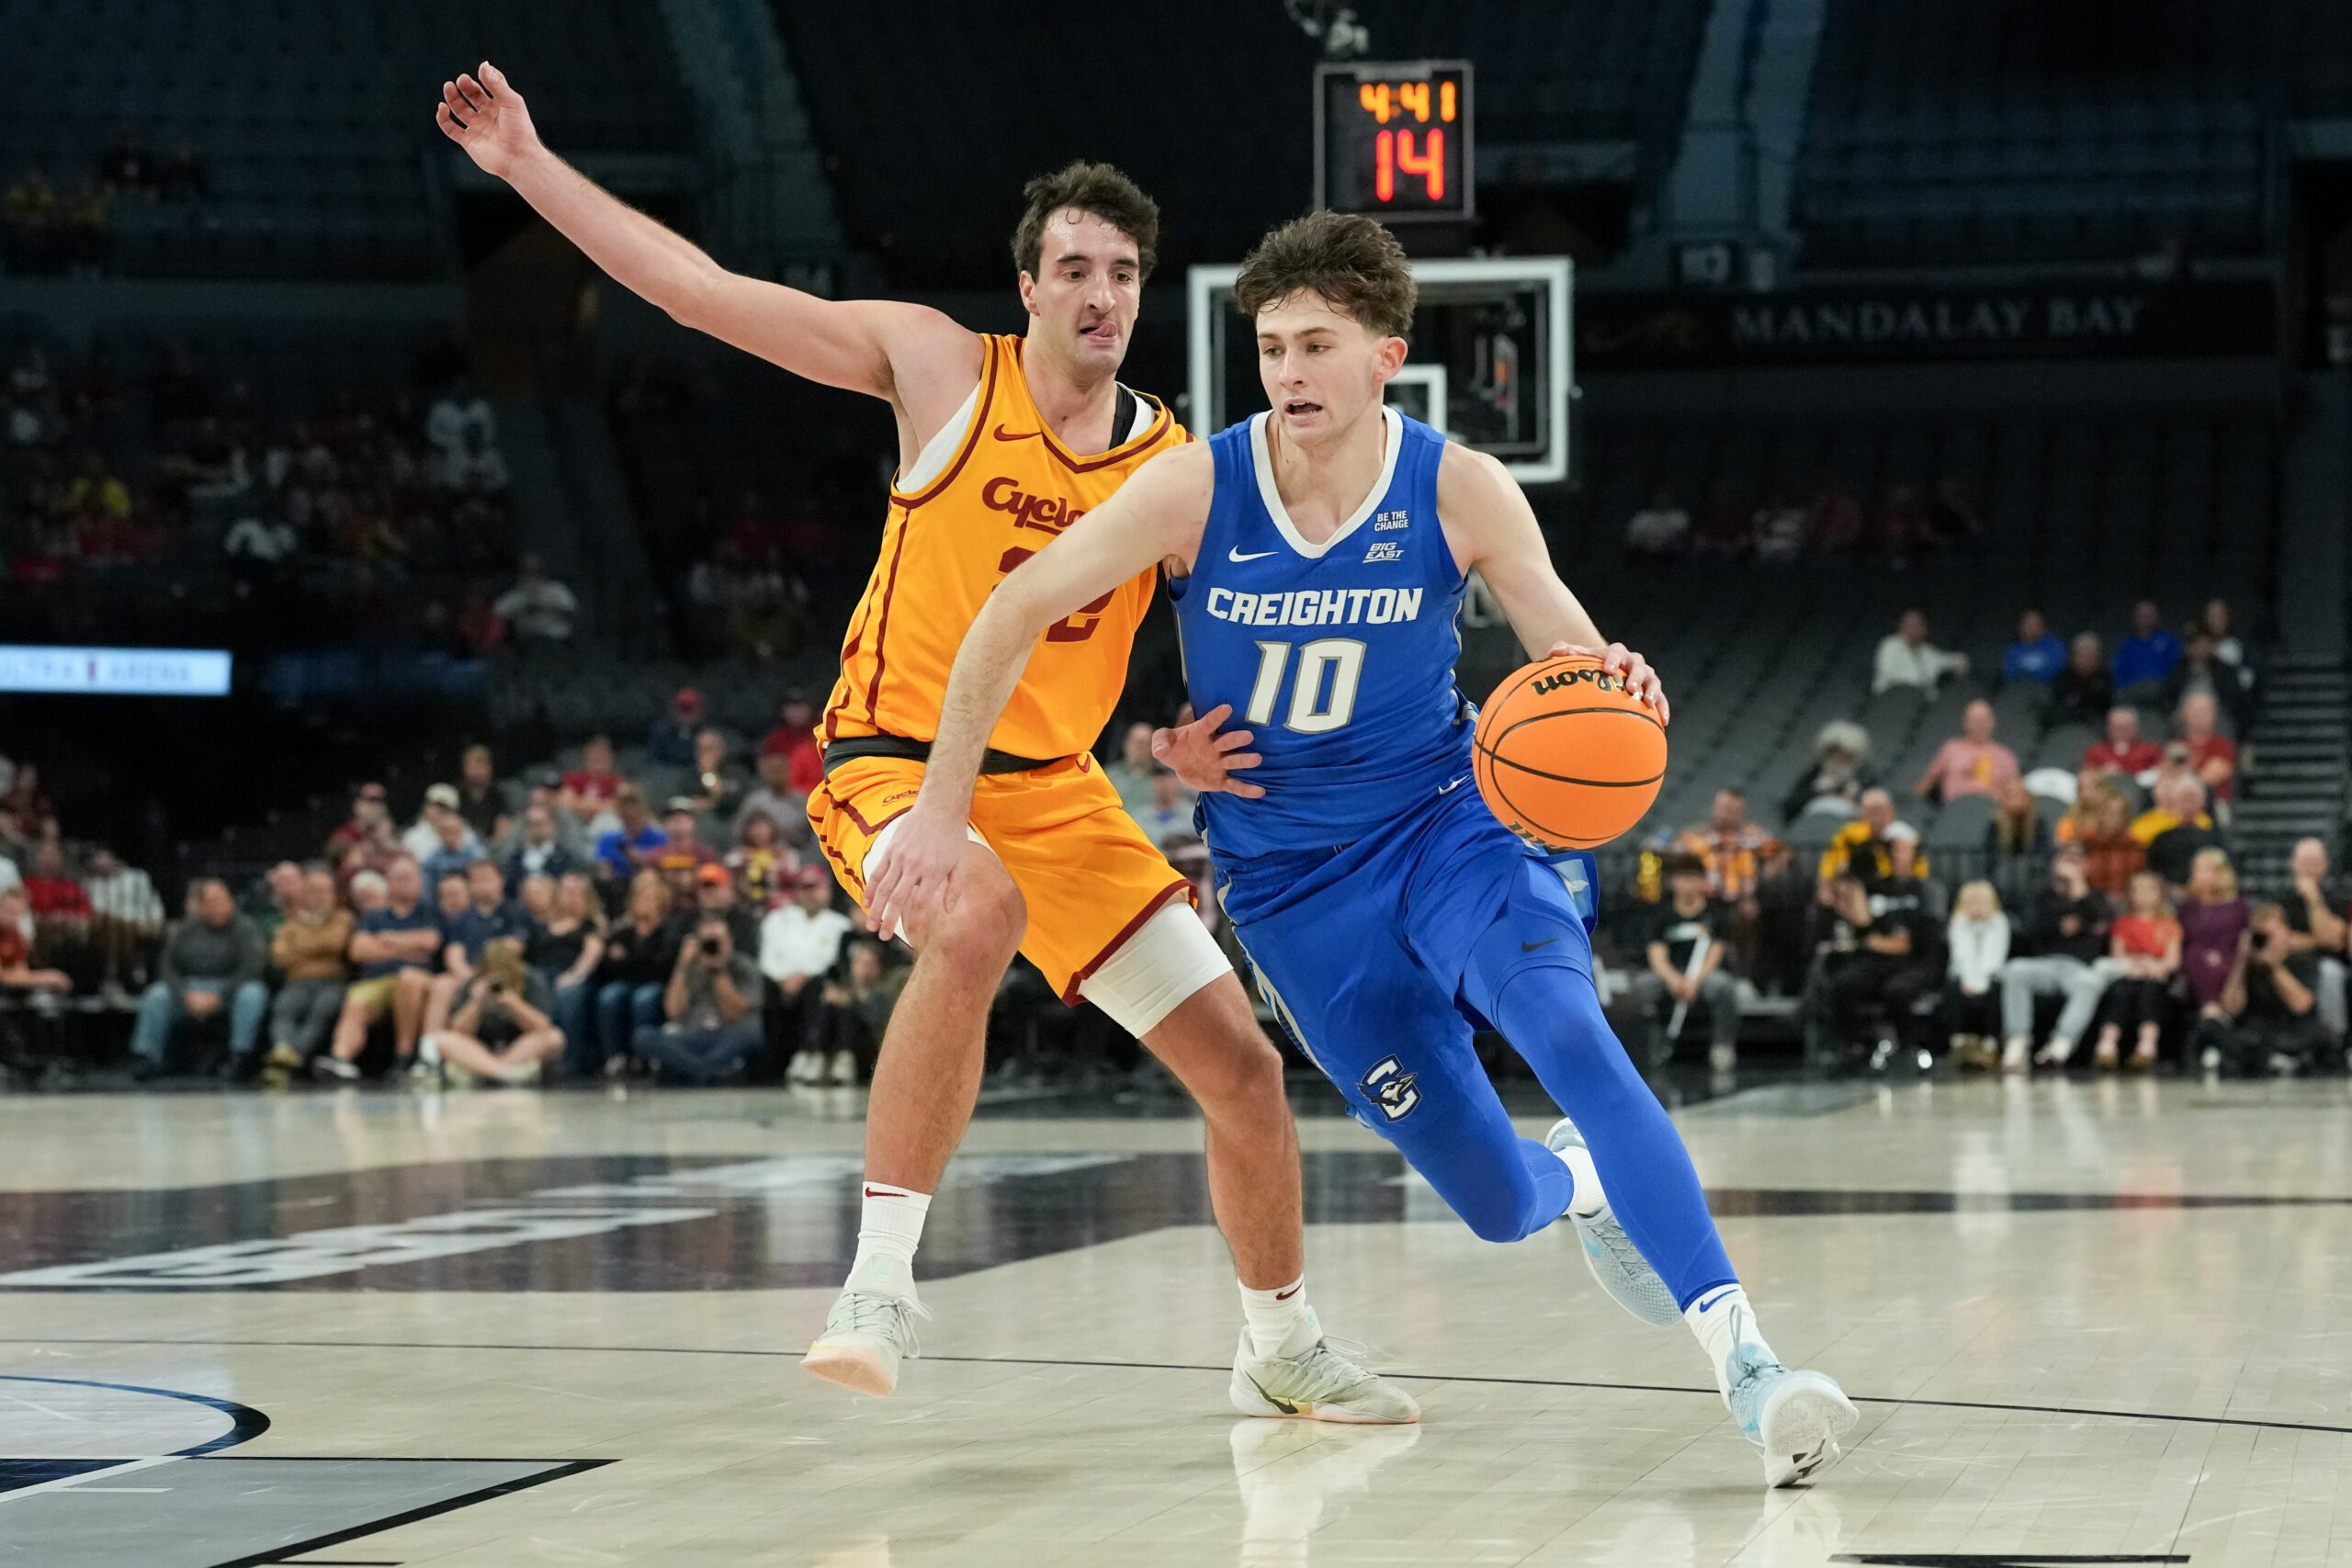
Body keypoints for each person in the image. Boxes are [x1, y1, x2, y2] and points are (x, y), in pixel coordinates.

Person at [444, 68, 1402, 1417]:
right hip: (894, 758)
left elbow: (1233, 634)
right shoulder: (939, 367)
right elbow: (701, 293)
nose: (1102, 293)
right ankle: (879, 1279)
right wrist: (531, 167)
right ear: (1028, 287)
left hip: (1061, 790)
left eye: (1124, 271)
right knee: (975, 911)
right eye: (1074, 265)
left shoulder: (1180, 463)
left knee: (1241, 1063)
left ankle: (1279, 1337)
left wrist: (1175, 743)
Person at [874, 210, 1852, 1483]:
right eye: (1273, 346)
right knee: (1502, 1206)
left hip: (1454, 824)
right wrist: (1019, 785)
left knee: (1570, 1033)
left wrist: (1611, 678)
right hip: (1291, 887)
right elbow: (1017, 609)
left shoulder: (1459, 485)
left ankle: (1750, 1362)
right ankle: (1584, 1186)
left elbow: (1564, 641)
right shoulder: (1193, 486)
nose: (1290, 372)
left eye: (1317, 344)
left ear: (1387, 353)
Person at [316, 856, 442, 1081]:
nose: (404, 882)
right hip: (376, 979)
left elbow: (429, 943)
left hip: (416, 978)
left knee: (408, 980)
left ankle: (404, 1056)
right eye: (398, 878)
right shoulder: (374, 916)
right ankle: (340, 1058)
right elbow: (358, 951)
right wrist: (408, 945)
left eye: (408, 877)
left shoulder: (429, 911)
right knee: (357, 999)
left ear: (419, 881)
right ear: (388, 883)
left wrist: (384, 940)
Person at [130, 878, 267, 1080]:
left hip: (229, 989)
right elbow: (167, 966)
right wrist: (185, 993)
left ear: (230, 901)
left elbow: (250, 969)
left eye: (221, 901)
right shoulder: (186, 929)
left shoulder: (246, 928)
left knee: (253, 993)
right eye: (211, 903)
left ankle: (240, 1056)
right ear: (202, 906)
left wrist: (219, 995)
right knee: (157, 995)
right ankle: (146, 1057)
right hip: (190, 988)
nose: (217, 907)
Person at [1999, 847, 2111, 1072]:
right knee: (2014, 971)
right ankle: (2018, 1041)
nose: (2070, 865)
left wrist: (2079, 890)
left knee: (2090, 983)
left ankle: (2062, 1043)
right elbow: (2031, 929)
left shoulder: (2095, 896)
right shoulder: (2041, 896)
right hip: (2044, 963)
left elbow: (2101, 922)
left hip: (2079, 966)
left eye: (2076, 860)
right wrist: (2065, 924)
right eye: (2065, 859)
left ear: (2086, 866)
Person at [1630, 857, 1741, 1072]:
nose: (1688, 884)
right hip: (1671, 974)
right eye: (1683, 878)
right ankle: (1648, 1048)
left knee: (1724, 986)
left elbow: (1715, 952)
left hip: (1704, 974)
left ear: (1702, 882)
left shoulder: (1714, 915)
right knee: (1642, 985)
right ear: (1674, 882)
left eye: (1693, 878)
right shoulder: (1661, 917)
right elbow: (1657, 955)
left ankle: (1722, 1047)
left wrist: (1695, 980)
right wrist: (1673, 979)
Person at [2199, 902, 2330, 1077]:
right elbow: (2231, 1008)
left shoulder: (2301, 959)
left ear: (2286, 932)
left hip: (2292, 1031)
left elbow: (2302, 1006)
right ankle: (2269, 1059)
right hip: (2255, 1034)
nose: (2270, 940)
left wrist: (2274, 967)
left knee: (2319, 1038)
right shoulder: (2247, 965)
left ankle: (2276, 1059)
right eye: (2264, 935)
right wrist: (2241, 961)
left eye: (2274, 933)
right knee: (2210, 1024)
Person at [419, 936, 565, 1087]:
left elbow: (542, 1025)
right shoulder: (474, 983)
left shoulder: (531, 980)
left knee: (554, 1037)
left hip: (518, 1049)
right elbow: (458, 1029)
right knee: (444, 1039)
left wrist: (514, 1003)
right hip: (480, 1050)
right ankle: (504, 1073)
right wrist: (476, 1003)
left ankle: (487, 1072)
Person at [635, 915, 764, 1084]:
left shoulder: (744, 967)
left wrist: (718, 972)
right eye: (707, 942)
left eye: (718, 941)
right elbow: (673, 1011)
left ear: (730, 942)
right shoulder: (691, 967)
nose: (712, 947)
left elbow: (736, 1014)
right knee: (644, 1036)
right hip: (691, 1036)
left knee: (752, 1033)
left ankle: (691, 1071)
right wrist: (682, 965)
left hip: (726, 1036)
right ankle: (708, 1073)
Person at [762, 864, 856, 1084]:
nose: (810, 893)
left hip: (817, 984)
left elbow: (830, 960)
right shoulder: (778, 919)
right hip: (779, 986)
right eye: (805, 887)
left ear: (827, 889)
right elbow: (768, 958)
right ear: (796, 891)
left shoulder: (840, 925)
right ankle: (807, 1054)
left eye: (815, 887)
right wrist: (785, 979)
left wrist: (803, 977)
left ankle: (812, 1053)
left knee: (822, 987)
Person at [264, 863, 353, 1078]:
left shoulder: (343, 918)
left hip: (332, 982)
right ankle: (282, 1049)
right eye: (314, 891)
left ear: (333, 894)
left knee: (322, 1009)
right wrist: (319, 953)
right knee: (284, 1006)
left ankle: (293, 1056)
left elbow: (335, 944)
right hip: (297, 982)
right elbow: (281, 955)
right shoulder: (291, 923)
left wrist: (303, 951)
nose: (319, 896)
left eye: (324, 891)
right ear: (304, 894)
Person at [586, 870, 679, 1077]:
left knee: (644, 999)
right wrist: (633, 961)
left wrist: (627, 960)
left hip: (657, 984)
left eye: (649, 899)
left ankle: (644, 1056)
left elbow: (661, 966)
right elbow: (607, 966)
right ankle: (615, 1056)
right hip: (625, 982)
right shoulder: (622, 931)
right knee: (609, 997)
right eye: (640, 898)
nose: (643, 903)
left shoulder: (668, 930)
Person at [2091, 870, 2180, 1071]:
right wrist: (2137, 964)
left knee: (2150, 992)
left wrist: (2154, 966)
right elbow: (2118, 955)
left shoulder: (2168, 924)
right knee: (2119, 992)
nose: (2144, 896)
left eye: (2149, 890)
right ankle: (2107, 1045)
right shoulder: (2122, 923)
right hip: (2128, 973)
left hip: (2155, 976)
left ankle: (2147, 1046)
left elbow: (2172, 961)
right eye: (2138, 891)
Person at [530, 871, 606, 1063]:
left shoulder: (590, 926)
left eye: (577, 892)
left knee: (567, 994)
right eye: (567, 892)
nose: (572, 897)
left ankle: (569, 1059)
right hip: (541, 976)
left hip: (574, 978)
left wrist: (574, 975)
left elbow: (592, 953)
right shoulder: (542, 926)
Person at [2177, 847, 2248, 1046]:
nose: (2204, 876)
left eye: (2209, 870)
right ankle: (2213, 1012)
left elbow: (2242, 942)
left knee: (2217, 963)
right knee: (2198, 958)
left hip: (2227, 957)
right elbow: (2183, 938)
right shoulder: (2188, 907)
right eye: (2200, 870)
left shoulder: (2237, 905)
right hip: (2193, 958)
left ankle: (2215, 1013)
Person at [2280, 837, 2349, 1043]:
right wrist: (2317, 939)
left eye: (2315, 862)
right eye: (2304, 862)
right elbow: (2281, 941)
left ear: (2326, 864)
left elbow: (2333, 940)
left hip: (2328, 962)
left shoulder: (2338, 897)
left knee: (2329, 973)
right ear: (2293, 864)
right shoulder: (2281, 897)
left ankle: (2335, 1039)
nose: (2309, 868)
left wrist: (2314, 899)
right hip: (2292, 961)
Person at [1943, 881, 2009, 1069]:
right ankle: (1958, 1041)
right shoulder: (1958, 922)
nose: (1977, 907)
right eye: (1972, 902)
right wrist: (1968, 981)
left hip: (1989, 976)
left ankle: (1990, 1043)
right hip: (1964, 976)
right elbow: (1961, 956)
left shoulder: (1999, 922)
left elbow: (1995, 958)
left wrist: (1980, 984)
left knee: (1996, 988)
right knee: (1952, 987)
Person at [1913, 699, 2018, 804]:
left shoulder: (2005, 755)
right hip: (1953, 810)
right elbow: (1928, 781)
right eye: (1975, 721)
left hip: (1991, 811)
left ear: (1992, 722)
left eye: (1983, 720)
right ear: (1966, 722)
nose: (1979, 725)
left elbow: (2015, 793)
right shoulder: (1952, 748)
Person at [1780, 721, 1876, 822]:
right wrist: (1815, 792)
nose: (1837, 765)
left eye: (1845, 760)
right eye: (1833, 757)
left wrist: (1856, 799)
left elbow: (1880, 821)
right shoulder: (1813, 775)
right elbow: (1788, 811)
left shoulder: (1867, 780)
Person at [1871, 608, 1969, 695]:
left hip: (1921, 702)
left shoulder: (1927, 650)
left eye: (1918, 624)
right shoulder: (1890, 645)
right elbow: (1891, 675)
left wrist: (1959, 666)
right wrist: (1923, 681)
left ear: (1925, 629)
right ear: (1900, 627)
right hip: (1892, 697)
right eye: (1909, 624)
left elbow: (1955, 660)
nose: (1913, 628)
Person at [2176, 692, 2237, 804]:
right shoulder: (2177, 746)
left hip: (2214, 805)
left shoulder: (2223, 746)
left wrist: (2184, 775)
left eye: (2205, 712)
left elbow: (2212, 777)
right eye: (2195, 712)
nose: (2200, 717)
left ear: (2213, 715)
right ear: (2185, 714)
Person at [2112, 599, 2183, 696]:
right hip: (2132, 694)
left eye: (2149, 613)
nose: (2145, 617)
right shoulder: (2126, 645)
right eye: (2141, 614)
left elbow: (2178, 670)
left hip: (2162, 695)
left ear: (2157, 616)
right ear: (2135, 617)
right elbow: (2118, 674)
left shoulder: (2169, 642)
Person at [2048, 632, 2114, 726]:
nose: (2087, 659)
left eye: (2091, 655)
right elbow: (2061, 704)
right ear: (2073, 657)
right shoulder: (2062, 678)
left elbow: (2105, 704)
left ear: (2099, 658)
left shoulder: (2106, 678)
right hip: (2066, 725)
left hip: (2097, 726)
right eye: (2082, 654)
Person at [2084, 706, 2161, 782]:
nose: (2121, 731)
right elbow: (2086, 776)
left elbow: (2162, 773)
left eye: (2125, 727)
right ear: (2109, 728)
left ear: (2135, 728)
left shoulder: (2150, 751)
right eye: (2117, 727)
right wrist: (2102, 773)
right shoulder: (2096, 751)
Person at [1999, 608, 2064, 686]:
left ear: (2043, 626)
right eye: (2027, 623)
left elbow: (2056, 669)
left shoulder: (2054, 646)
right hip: (2018, 688)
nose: (2031, 627)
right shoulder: (2013, 649)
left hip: (2046, 688)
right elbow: (2008, 672)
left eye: (2035, 623)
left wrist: (2028, 674)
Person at [1622, 483, 1690, 558]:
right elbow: (1631, 541)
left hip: (1672, 559)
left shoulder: (1680, 517)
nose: (1662, 498)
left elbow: (1682, 542)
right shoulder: (1641, 518)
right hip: (1645, 557)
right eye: (1659, 495)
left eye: (1665, 495)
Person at [647, 687, 704, 768]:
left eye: (690, 710)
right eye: (683, 710)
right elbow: (654, 759)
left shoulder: (708, 736)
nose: (686, 717)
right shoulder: (661, 732)